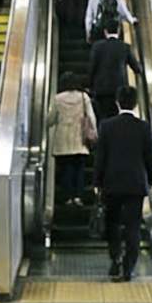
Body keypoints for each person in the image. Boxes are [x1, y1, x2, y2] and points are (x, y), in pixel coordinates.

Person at [94, 85, 152, 282]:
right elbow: (150, 157)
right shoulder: (144, 127)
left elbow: (100, 157)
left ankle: (115, 259)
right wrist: (151, 179)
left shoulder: (107, 126)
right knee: (133, 226)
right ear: (136, 103)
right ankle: (128, 267)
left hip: (111, 183)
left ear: (117, 102)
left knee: (112, 224)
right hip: (135, 184)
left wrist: (97, 181)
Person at [48, 72, 97, 206]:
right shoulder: (83, 97)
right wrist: (94, 133)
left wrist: (47, 123)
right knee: (79, 169)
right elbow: (91, 116)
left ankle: (68, 197)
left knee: (66, 169)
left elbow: (51, 119)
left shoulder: (58, 98)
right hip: (79, 139)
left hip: (63, 139)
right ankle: (78, 197)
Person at [89, 20, 142, 121]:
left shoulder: (97, 47)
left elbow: (92, 68)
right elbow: (137, 68)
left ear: (105, 31)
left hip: (101, 90)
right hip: (119, 90)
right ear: (118, 31)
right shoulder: (125, 47)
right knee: (117, 118)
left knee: (102, 118)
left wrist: (90, 85)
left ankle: (103, 134)